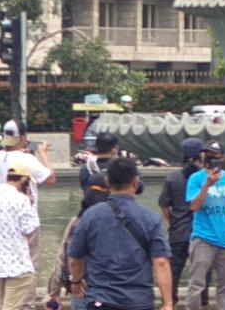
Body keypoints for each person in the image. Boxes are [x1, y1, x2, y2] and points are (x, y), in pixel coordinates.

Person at [68, 157, 174, 310]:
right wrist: (168, 303)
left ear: (108, 181)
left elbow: (75, 259)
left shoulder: (90, 216)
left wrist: (76, 282)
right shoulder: (150, 218)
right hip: (139, 302)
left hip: (101, 300)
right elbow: (161, 263)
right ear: (136, 182)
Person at [0, 119, 55, 310]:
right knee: (26, 263)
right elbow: (50, 178)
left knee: (2, 261)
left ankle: (0, 302)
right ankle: (25, 304)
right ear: (23, 138)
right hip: (24, 214)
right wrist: (43, 154)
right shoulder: (28, 160)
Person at [185, 141, 225, 310]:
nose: (211, 160)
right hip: (203, 238)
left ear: (223, 158)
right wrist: (207, 185)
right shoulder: (196, 178)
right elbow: (194, 206)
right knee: (196, 284)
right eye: (208, 156)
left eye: (215, 157)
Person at [0, 159, 40, 310]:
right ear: (23, 179)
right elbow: (30, 229)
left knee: (3, 305)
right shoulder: (22, 200)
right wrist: (31, 204)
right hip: (18, 265)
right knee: (10, 307)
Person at [160, 138, 209, 307]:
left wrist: (173, 220)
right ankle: (202, 301)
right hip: (202, 231)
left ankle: (170, 300)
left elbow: (164, 205)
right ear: (201, 155)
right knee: (203, 269)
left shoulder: (173, 177)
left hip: (178, 231)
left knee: (174, 269)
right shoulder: (206, 178)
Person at [80, 131, 143, 200]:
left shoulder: (87, 168)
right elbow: (139, 188)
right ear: (114, 149)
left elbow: (86, 190)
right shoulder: (126, 166)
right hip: (121, 206)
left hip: (94, 206)